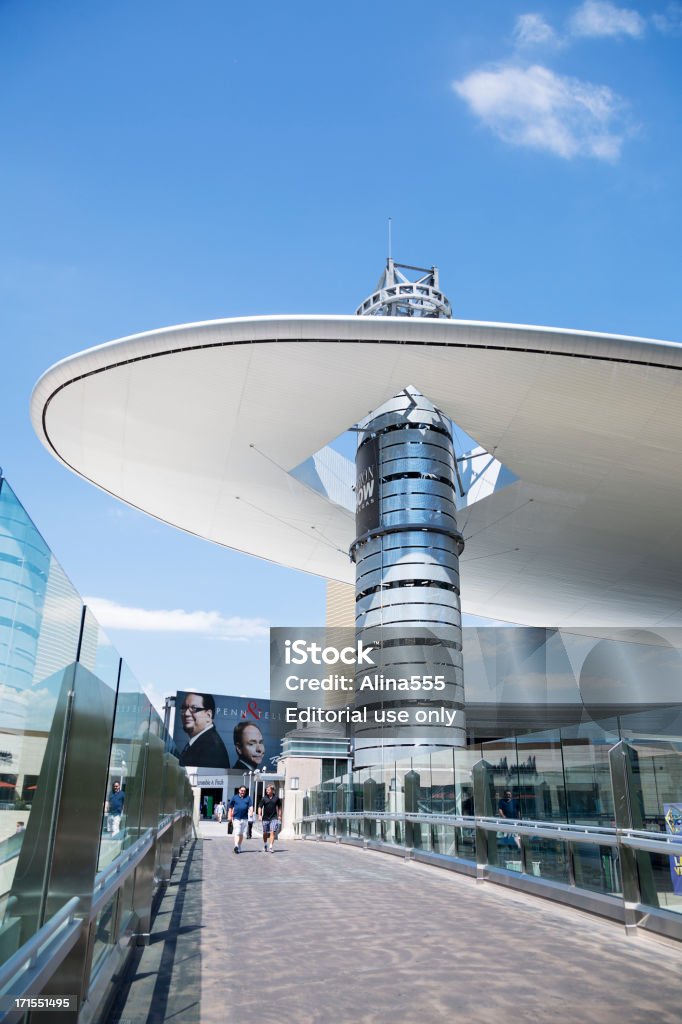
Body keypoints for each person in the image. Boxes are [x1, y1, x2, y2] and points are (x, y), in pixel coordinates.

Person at [178, 692, 230, 769]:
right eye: (184, 708)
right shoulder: (202, 742)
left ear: (208, 716)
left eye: (194, 708)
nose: (186, 713)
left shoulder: (212, 749)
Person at [228, 785, 253, 854]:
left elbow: (250, 806)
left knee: (241, 834)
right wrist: (229, 816)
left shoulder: (248, 798)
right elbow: (230, 807)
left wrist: (251, 812)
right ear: (239, 790)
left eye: (244, 791)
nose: (243, 792)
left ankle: (239, 846)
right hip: (236, 818)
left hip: (244, 818)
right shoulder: (235, 797)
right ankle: (236, 846)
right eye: (242, 791)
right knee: (237, 832)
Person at [258, 783, 282, 853]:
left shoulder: (276, 798)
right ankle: (265, 844)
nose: (267, 791)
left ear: (272, 790)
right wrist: (259, 815)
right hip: (265, 818)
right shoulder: (264, 798)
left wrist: (279, 815)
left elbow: (280, 807)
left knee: (272, 832)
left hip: (274, 817)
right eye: (266, 790)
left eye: (268, 790)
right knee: (265, 832)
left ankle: (271, 846)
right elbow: (260, 807)